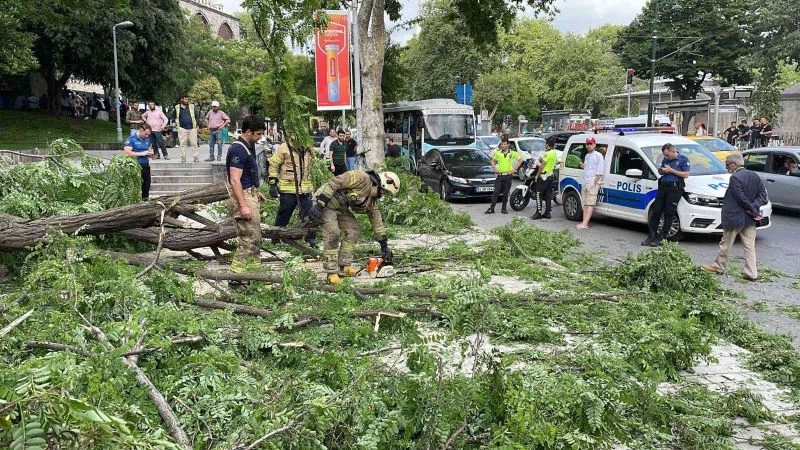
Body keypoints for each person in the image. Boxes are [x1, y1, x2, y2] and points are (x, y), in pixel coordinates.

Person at [304, 170, 400, 285]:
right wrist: (320, 204)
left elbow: (376, 219)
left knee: (353, 230)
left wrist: (383, 244)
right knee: (333, 233)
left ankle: (345, 265)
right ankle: (331, 272)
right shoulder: (360, 178)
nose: (383, 195)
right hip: (325, 203)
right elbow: (335, 182)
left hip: (340, 207)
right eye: (385, 192)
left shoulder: (371, 200)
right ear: (381, 185)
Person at [702, 153, 768, 281]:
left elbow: (741, 198)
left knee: (726, 243)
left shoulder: (735, 178)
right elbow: (762, 195)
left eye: (727, 165)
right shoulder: (754, 175)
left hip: (735, 217)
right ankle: (752, 272)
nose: (726, 168)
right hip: (749, 219)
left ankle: (718, 266)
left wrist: (752, 209)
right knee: (749, 246)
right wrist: (754, 208)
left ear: (734, 164)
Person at [225, 115, 267, 273]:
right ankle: (237, 276)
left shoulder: (248, 146)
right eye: (258, 134)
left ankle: (254, 274)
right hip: (243, 197)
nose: (260, 137)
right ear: (248, 131)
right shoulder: (238, 149)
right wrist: (243, 205)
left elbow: (247, 175)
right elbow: (235, 180)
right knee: (248, 238)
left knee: (255, 237)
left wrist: (256, 191)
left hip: (250, 194)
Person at [268, 131, 316, 247]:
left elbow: (312, 165)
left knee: (310, 215)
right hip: (288, 189)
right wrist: (273, 183)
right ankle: (276, 238)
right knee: (284, 214)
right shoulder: (284, 148)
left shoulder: (308, 148)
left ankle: (310, 240)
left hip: (305, 189)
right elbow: (273, 164)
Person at [641, 143, 690, 246]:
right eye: (665, 155)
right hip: (663, 187)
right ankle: (651, 236)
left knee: (669, 213)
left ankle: (661, 237)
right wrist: (662, 171)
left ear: (673, 151)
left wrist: (671, 170)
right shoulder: (665, 160)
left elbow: (686, 174)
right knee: (656, 212)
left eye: (667, 155)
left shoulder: (683, 159)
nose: (666, 157)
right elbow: (661, 171)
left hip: (674, 189)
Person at [485, 137, 521, 215]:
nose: (503, 146)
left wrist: (514, 169)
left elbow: (520, 159)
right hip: (500, 176)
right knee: (496, 192)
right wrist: (495, 168)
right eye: (502, 144)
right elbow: (492, 160)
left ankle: (504, 209)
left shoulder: (512, 153)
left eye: (504, 144)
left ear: (508, 145)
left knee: (505, 193)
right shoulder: (498, 153)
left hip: (508, 176)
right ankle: (491, 208)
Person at [576, 137, 604, 230]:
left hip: (592, 183)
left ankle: (585, 223)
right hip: (585, 181)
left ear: (594, 145)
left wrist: (594, 183)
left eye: (591, 144)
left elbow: (600, 171)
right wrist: (582, 165)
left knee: (590, 203)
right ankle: (584, 222)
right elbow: (587, 167)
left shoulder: (598, 155)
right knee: (585, 203)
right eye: (587, 144)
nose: (589, 145)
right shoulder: (587, 156)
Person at [123, 123, 154, 201]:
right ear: (140, 130)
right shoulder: (131, 139)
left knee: (146, 184)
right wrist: (141, 153)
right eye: (146, 134)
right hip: (135, 165)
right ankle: (134, 201)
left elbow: (149, 149)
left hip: (145, 165)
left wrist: (150, 154)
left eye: (148, 134)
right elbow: (127, 153)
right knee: (135, 185)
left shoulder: (146, 139)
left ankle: (145, 200)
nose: (147, 136)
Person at [531, 141, 559, 220]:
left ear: (547, 145)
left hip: (544, 176)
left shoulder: (547, 154)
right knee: (547, 194)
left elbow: (542, 165)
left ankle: (538, 212)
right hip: (550, 176)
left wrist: (537, 175)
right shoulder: (554, 153)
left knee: (538, 193)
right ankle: (547, 213)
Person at [175, 94, 199, 163]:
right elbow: (173, 116)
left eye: (187, 99)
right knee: (182, 144)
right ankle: (183, 158)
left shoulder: (191, 106)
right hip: (182, 128)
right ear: (181, 99)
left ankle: (196, 157)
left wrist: (197, 124)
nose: (187, 100)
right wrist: (175, 123)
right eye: (185, 99)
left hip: (192, 128)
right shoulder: (177, 107)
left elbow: (196, 116)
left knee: (194, 143)